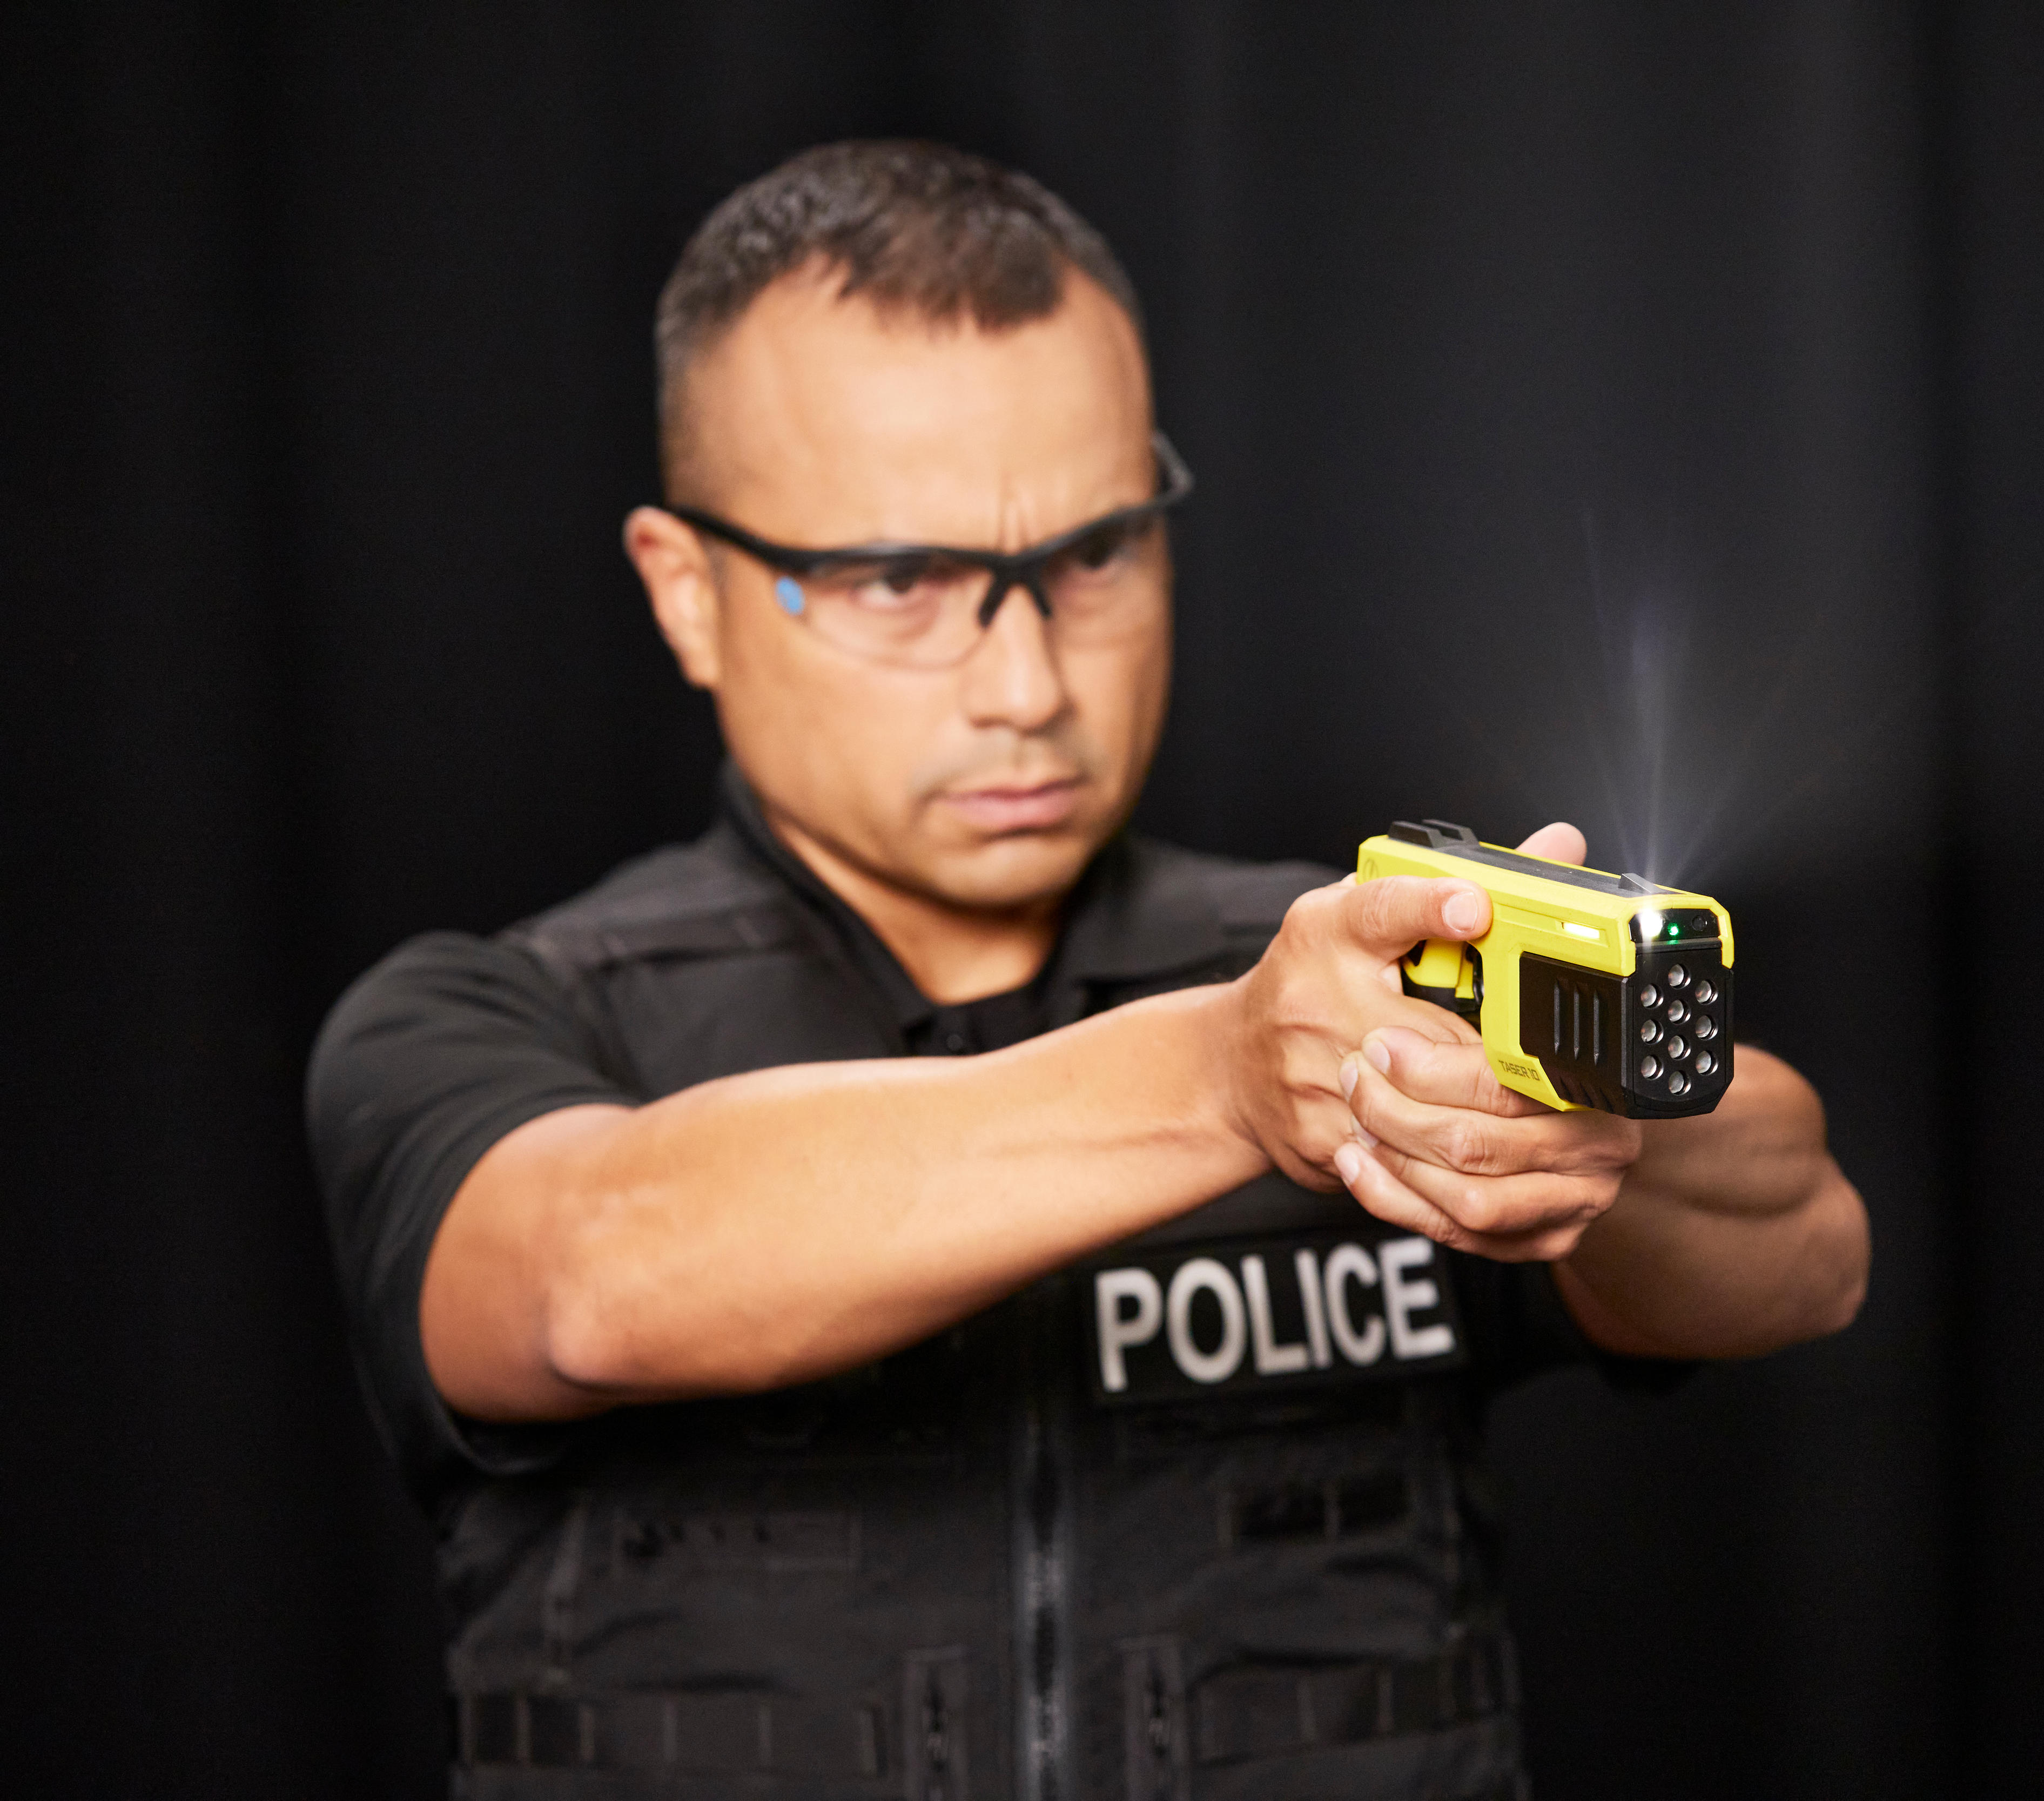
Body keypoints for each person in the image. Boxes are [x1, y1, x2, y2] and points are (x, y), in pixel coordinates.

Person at [309, 139, 1868, 1801]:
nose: (1027, 681)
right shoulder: (490, 1017)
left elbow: (1805, 1243)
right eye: (901, 581)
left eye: (1096, 557)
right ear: (687, 594)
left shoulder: (1362, 979)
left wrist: (1587, 1113)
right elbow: (585, 1278)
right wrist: (1223, 1080)